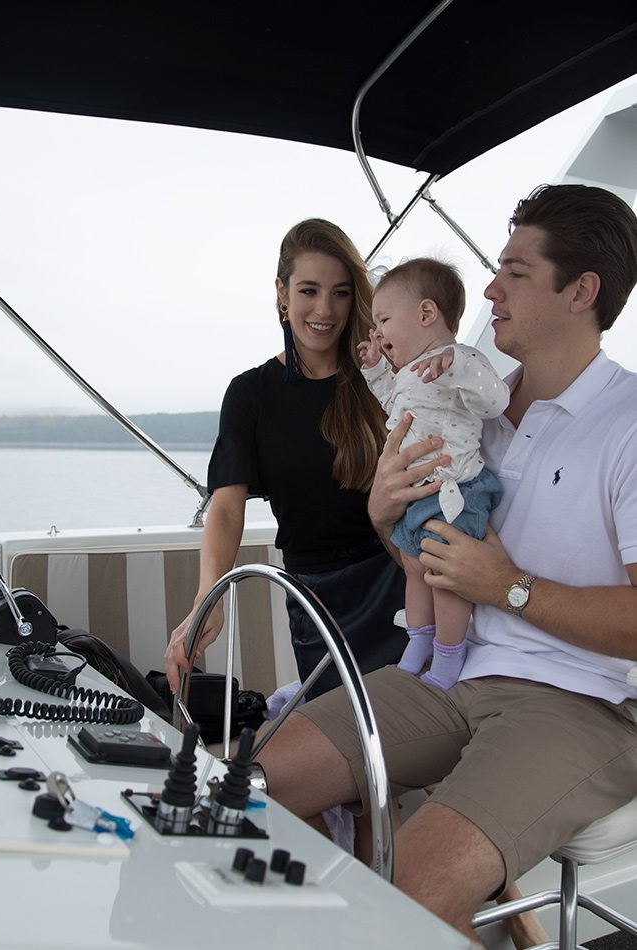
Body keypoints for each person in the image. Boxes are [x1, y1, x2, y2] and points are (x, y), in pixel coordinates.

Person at [255, 184, 637, 946]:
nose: (490, 288)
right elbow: (432, 557)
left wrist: (511, 588)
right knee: (241, 786)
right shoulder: (470, 408)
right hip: (449, 678)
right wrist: (382, 519)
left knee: (402, 902)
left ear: (581, 291)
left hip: (578, 705)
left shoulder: (627, 424)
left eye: (516, 273)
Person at [164, 218, 407, 701]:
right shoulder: (250, 393)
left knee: (412, 730)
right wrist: (206, 602)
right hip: (315, 599)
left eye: (340, 293)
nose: (324, 310)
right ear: (281, 292)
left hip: (400, 582)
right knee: (343, 742)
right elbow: (228, 507)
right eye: (309, 291)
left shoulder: (382, 377)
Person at [358, 259, 509, 688]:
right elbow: (394, 401)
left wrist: (456, 367)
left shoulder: (460, 360)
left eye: (384, 319)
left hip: (455, 490)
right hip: (419, 494)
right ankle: (418, 642)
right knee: (413, 568)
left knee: (446, 578)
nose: (379, 332)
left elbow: (495, 401)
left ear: (426, 314)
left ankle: (448, 656)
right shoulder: (411, 372)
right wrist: (375, 368)